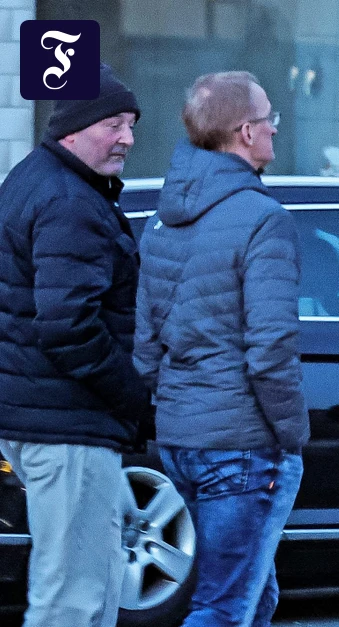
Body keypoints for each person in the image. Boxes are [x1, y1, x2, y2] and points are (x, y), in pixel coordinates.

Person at [134, 71, 308, 627]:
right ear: (245, 133)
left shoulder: (162, 221)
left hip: (181, 437)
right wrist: (291, 433)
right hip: (243, 443)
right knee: (225, 606)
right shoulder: (263, 220)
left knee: (253, 595)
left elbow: (146, 345)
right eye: (269, 118)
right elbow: (271, 348)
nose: (275, 129)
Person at [0, 63, 151, 627]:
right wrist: (132, 396)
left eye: (131, 125)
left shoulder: (34, 180)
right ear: (72, 130)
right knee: (71, 600)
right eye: (113, 125)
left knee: (92, 586)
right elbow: (67, 326)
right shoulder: (70, 200)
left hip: (45, 417)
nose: (127, 139)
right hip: (67, 425)